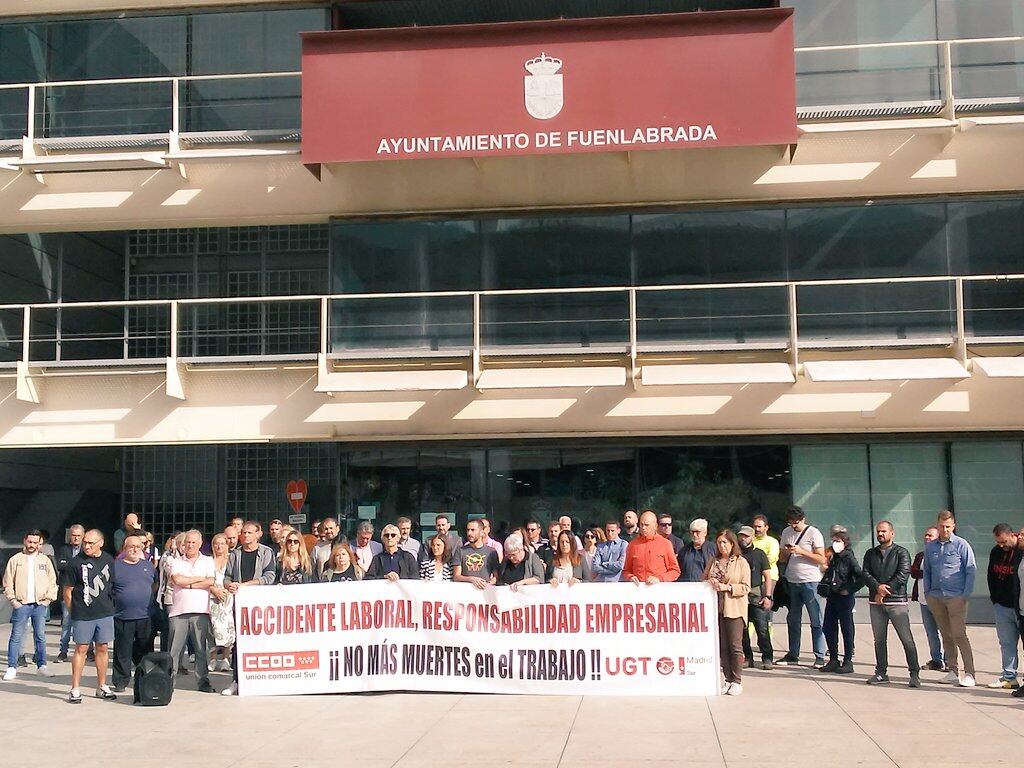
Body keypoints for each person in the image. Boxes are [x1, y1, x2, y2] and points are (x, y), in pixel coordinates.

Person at [861, 521, 920, 688]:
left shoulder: (901, 552)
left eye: (884, 531)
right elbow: (865, 574)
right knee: (879, 640)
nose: (881, 534)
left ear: (892, 533)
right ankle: (881, 672)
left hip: (896, 601)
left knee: (906, 639)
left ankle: (914, 673)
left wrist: (883, 591)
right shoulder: (870, 553)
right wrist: (876, 588)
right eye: (878, 531)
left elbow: (903, 575)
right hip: (876, 603)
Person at [923, 510, 977, 687]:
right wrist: (928, 593)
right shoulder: (931, 547)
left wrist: (965, 595)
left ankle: (969, 673)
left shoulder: (962, 545)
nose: (945, 529)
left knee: (959, 634)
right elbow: (928, 571)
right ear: (937, 525)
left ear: (953, 526)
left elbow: (970, 570)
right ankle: (953, 670)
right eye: (941, 526)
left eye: (948, 526)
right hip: (936, 597)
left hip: (956, 596)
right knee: (945, 634)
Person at [63, 528, 117, 703]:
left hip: (104, 612)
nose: (86, 546)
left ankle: (101, 686)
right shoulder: (74, 563)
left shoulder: (109, 560)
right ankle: (75, 688)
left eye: (90, 543)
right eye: (85, 542)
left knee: (102, 647)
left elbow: (112, 585)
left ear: (100, 543)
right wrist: (75, 612)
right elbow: (68, 591)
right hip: (82, 614)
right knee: (81, 649)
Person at [3, 530, 58, 681]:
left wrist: (48, 600)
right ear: (25, 541)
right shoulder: (15, 560)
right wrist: (13, 600)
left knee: (40, 636)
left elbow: (53, 581)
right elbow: (7, 582)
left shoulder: (45, 561)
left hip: (40, 604)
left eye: (35, 542)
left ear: (40, 543)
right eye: (30, 542)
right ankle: (12, 667)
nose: (32, 545)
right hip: (21, 604)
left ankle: (42, 666)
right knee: (16, 636)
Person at [778, 505, 827, 668]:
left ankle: (820, 655)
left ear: (803, 519)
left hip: (811, 581)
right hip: (792, 580)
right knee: (793, 618)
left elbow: (821, 559)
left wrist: (801, 551)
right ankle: (793, 653)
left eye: (796, 522)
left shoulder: (813, 533)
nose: (794, 525)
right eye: (791, 522)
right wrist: (786, 552)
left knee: (816, 618)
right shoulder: (786, 533)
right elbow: (782, 559)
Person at [168, 530, 216, 693]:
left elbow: (211, 581)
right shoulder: (176, 561)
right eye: (188, 542)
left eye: (194, 542)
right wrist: (199, 579)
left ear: (200, 544)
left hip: (201, 611)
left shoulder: (208, 561)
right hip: (178, 611)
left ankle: (203, 682)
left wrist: (187, 583)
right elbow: (176, 580)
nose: (190, 545)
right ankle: (169, 681)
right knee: (174, 650)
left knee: (200, 650)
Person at [705, 529, 751, 695]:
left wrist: (727, 587)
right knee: (722, 646)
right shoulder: (713, 561)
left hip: (734, 608)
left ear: (732, 544)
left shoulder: (741, 562)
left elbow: (746, 586)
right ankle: (727, 679)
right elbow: (703, 580)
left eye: (725, 542)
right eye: (719, 542)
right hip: (716, 608)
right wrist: (709, 581)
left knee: (734, 645)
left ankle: (737, 679)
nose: (722, 546)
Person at [110, 535, 157, 692]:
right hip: (123, 616)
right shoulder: (115, 566)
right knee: (122, 650)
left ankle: (145, 678)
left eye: (138, 546)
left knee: (145, 650)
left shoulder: (148, 566)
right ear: (125, 549)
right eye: (131, 546)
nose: (135, 549)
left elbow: (155, 583)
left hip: (145, 616)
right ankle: (121, 680)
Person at [818, 528, 866, 674]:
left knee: (846, 628)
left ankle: (848, 660)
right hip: (832, 596)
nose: (835, 544)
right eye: (834, 541)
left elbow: (861, 576)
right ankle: (833, 659)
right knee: (828, 627)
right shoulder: (834, 557)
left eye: (838, 541)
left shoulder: (848, 557)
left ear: (845, 543)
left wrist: (849, 589)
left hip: (844, 597)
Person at [987, 523, 1022, 689]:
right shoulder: (996, 552)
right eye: (998, 542)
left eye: (1004, 542)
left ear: (1012, 535)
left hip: (1019, 606)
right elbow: (990, 575)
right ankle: (1009, 676)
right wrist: (995, 598)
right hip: (1002, 605)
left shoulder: (1021, 552)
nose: (1002, 546)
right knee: (1006, 642)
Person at [738, 525, 774, 670]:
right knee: (742, 630)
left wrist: (768, 596)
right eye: (741, 536)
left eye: (746, 536)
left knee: (762, 629)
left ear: (752, 537)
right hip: (739, 596)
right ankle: (748, 657)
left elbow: (767, 576)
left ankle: (767, 657)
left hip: (756, 596)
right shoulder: (736, 554)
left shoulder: (759, 554)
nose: (743, 539)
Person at [911, 526, 945, 671]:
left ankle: (949, 660)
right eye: (926, 535)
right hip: (923, 600)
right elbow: (913, 571)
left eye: (930, 535)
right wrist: (926, 572)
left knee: (945, 631)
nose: (927, 538)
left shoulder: (941, 554)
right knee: (931, 632)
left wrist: (926, 573)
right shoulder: (921, 555)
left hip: (938, 600)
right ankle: (936, 659)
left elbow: (940, 573)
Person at [622, 511, 681, 584]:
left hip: (659, 591)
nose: (643, 528)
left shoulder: (665, 544)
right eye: (641, 524)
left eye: (647, 525)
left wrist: (660, 578)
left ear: (655, 526)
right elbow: (626, 570)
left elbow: (675, 571)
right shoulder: (632, 545)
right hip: (638, 590)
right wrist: (630, 577)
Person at [55, 524, 85, 662]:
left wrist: (70, 565)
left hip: (84, 592)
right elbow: (60, 565)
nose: (76, 538)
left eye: (79, 535)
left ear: (83, 536)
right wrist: (77, 565)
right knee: (67, 622)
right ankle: (63, 651)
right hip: (68, 590)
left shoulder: (87, 549)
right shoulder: (64, 549)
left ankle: (88, 651)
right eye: (73, 535)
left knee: (85, 623)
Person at [208, 533, 235, 673]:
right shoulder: (208, 561)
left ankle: (225, 659)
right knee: (212, 629)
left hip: (228, 597)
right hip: (212, 598)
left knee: (227, 628)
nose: (219, 546)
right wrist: (214, 590)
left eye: (222, 543)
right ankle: (213, 659)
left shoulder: (231, 559)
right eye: (216, 544)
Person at [453, 519, 499, 589]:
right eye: (468, 530)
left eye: (473, 530)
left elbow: (496, 576)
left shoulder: (491, 552)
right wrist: (471, 579)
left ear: (481, 532)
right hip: (465, 592)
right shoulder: (460, 550)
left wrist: (489, 584)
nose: (469, 533)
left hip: (484, 593)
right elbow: (456, 576)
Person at [678, 517, 717, 583]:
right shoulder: (684, 550)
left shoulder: (714, 549)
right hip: (686, 588)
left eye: (697, 532)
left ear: (705, 533)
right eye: (692, 532)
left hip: (706, 589)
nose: (694, 535)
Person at [752, 514, 780, 582]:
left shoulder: (772, 541)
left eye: (759, 527)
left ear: (766, 527)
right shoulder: (751, 541)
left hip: (768, 578)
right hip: (753, 578)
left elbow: (771, 558)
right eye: (755, 527)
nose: (757, 529)